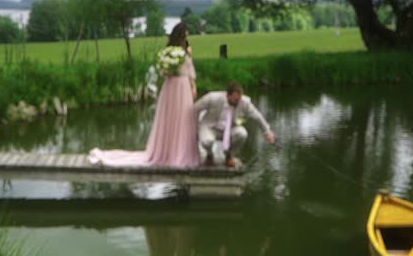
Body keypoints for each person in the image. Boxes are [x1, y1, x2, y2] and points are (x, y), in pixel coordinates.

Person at [88, 23, 200, 168]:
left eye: (187, 35)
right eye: (185, 35)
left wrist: (193, 85)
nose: (186, 37)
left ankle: (182, 151)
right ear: (179, 35)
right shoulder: (167, 52)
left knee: (184, 118)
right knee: (171, 117)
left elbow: (190, 69)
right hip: (171, 87)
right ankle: (168, 152)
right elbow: (163, 72)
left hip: (184, 87)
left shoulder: (187, 51)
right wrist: (169, 69)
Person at [194, 82, 275, 167]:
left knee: (242, 134)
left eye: (239, 99)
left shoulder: (245, 102)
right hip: (210, 127)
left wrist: (267, 132)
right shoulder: (212, 98)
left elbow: (257, 116)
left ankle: (229, 156)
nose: (238, 102)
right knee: (207, 141)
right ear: (228, 95)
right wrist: (195, 128)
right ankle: (209, 155)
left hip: (230, 129)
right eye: (235, 99)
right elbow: (195, 109)